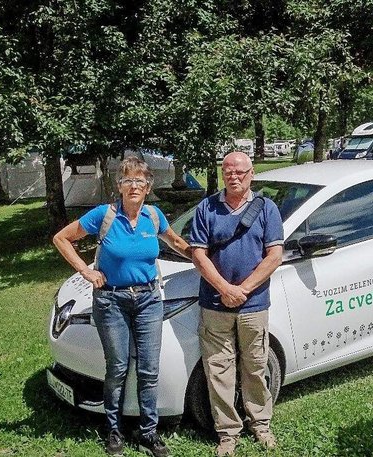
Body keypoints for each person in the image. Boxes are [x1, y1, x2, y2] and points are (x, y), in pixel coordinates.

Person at [53, 156, 190, 457]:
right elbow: (61, 238)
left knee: (149, 369)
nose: (134, 186)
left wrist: (207, 261)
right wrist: (85, 271)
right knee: (117, 367)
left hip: (149, 300)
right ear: (119, 185)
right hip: (111, 300)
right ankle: (114, 429)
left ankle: (149, 432)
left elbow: (178, 244)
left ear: (148, 186)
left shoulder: (153, 216)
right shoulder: (104, 215)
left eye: (140, 181)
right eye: (128, 180)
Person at [190, 151, 284, 457]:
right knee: (218, 370)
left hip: (253, 304)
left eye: (240, 171)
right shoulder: (207, 207)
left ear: (251, 173)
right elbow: (199, 255)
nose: (233, 176)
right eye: (228, 171)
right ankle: (228, 433)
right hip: (215, 305)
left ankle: (261, 425)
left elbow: (274, 256)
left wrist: (242, 289)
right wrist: (224, 289)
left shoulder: (267, 209)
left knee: (255, 366)